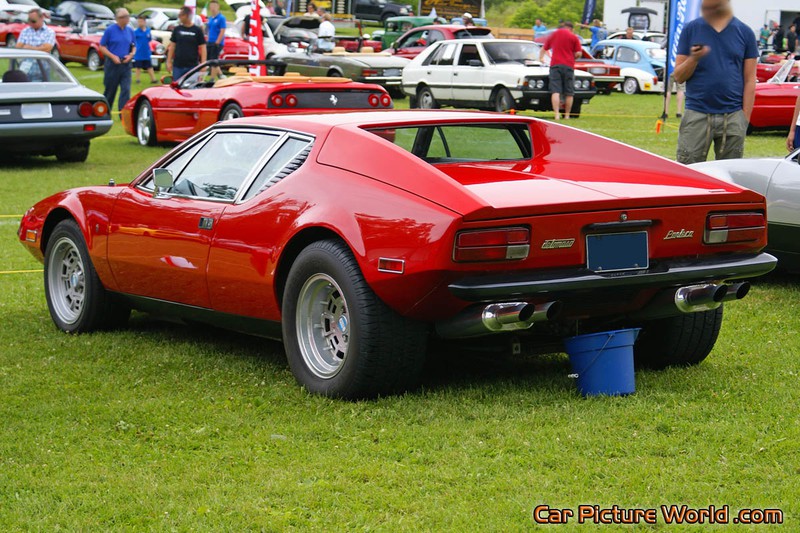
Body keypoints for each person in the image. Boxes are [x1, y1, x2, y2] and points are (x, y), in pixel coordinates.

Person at [673, 0, 757, 164]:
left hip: (732, 116)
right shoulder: (691, 29)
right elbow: (678, 76)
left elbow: (750, 80)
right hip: (697, 113)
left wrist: (743, 119)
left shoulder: (745, 32)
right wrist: (694, 58)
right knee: (690, 172)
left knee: (730, 175)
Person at [539, 20, 582, 120]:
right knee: (569, 92)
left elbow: (544, 48)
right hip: (569, 65)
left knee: (555, 91)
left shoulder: (554, 34)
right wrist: (573, 57)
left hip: (555, 65)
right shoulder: (573, 37)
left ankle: (556, 114)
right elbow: (578, 53)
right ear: (571, 29)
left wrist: (541, 58)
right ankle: (567, 115)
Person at [99, 8, 135, 113]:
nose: (127, 19)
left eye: (128, 16)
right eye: (124, 17)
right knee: (110, 90)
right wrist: (112, 56)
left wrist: (131, 55)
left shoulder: (130, 31)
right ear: (118, 19)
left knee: (126, 89)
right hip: (112, 64)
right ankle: (105, 111)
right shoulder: (110, 30)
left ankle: (122, 113)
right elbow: (102, 46)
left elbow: (133, 45)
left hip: (126, 64)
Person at [167, 6, 206, 81]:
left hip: (192, 66)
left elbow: (203, 47)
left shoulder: (197, 30)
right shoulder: (177, 29)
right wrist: (169, 61)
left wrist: (203, 64)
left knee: (191, 87)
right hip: (178, 65)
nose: (179, 17)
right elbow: (172, 46)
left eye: (181, 15)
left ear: (187, 15)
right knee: (177, 86)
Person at [133, 14, 157, 84]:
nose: (139, 23)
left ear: (144, 22)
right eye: (138, 22)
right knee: (138, 66)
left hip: (146, 51)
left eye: (141, 21)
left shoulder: (148, 30)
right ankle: (137, 79)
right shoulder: (136, 32)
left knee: (149, 66)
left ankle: (153, 79)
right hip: (139, 52)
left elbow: (149, 39)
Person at [205, 0, 225, 80]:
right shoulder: (210, 18)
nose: (213, 8)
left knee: (213, 60)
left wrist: (218, 41)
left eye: (214, 6)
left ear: (218, 7)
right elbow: (209, 29)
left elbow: (222, 30)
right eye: (211, 6)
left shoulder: (221, 18)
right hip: (210, 41)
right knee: (209, 59)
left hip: (217, 42)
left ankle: (212, 78)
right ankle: (221, 75)